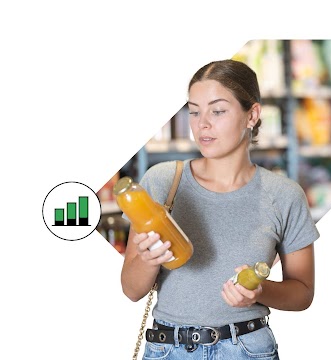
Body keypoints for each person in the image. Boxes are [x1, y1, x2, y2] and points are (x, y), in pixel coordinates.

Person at [120, 59, 319, 360]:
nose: (202, 124)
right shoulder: (162, 181)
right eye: (194, 111)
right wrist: (148, 261)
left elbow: (302, 292)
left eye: (218, 111)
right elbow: (132, 290)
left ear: (252, 115)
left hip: (247, 350)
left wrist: (260, 291)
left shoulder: (284, 195)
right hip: (168, 349)